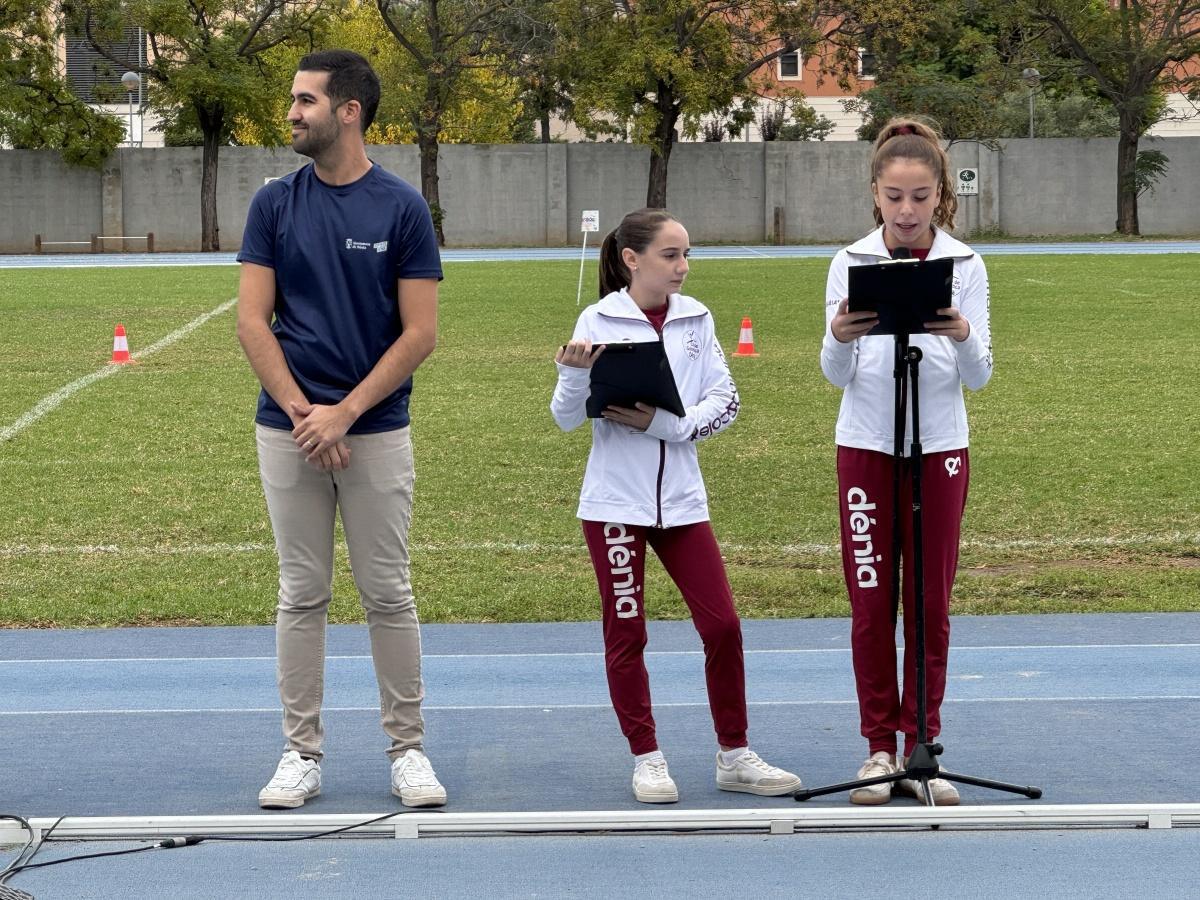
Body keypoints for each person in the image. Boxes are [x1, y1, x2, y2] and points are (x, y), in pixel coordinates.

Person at [236, 50, 446, 809]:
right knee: (302, 594)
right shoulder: (274, 204)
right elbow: (251, 322)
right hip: (289, 429)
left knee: (388, 593)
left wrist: (345, 413)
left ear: (348, 110)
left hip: (375, 430)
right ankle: (301, 754)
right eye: (293, 100)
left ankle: (408, 752)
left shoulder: (401, 208)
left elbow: (419, 333)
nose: (291, 112)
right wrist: (303, 414)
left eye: (305, 101)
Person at [550, 207, 801, 804]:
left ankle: (734, 755)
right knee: (627, 632)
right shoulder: (598, 316)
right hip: (614, 503)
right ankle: (647, 758)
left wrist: (666, 424)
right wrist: (571, 375)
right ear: (633, 260)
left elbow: (726, 399)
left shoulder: (698, 319)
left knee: (723, 626)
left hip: (683, 503)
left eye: (687, 254)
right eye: (671, 255)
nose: (683, 267)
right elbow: (564, 418)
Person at [821, 117, 993, 806]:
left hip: (940, 451)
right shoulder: (850, 261)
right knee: (871, 605)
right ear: (875, 194)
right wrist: (838, 334)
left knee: (929, 605)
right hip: (866, 448)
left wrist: (960, 334)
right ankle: (877, 750)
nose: (907, 210)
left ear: (940, 194)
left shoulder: (968, 265)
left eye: (921, 196)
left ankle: (924, 749)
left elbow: (979, 376)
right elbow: (836, 373)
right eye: (894, 196)